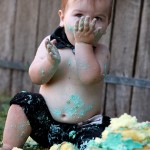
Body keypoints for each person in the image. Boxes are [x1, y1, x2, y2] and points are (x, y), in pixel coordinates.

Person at [0, 0, 113, 149]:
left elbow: (88, 77)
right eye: (79, 15)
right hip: (46, 124)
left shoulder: (101, 52)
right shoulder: (50, 44)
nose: (87, 23)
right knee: (24, 101)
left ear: (106, 26)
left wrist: (83, 44)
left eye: (98, 18)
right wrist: (50, 63)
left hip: (83, 129)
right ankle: (9, 146)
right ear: (62, 18)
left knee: (101, 138)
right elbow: (35, 77)